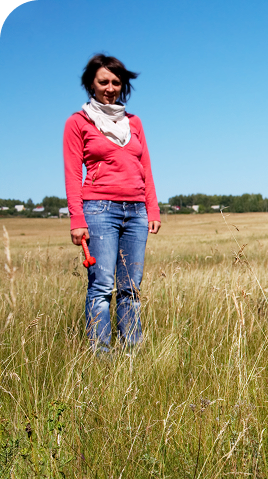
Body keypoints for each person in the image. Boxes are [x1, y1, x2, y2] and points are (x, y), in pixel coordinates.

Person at [63, 54, 161, 354]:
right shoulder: (78, 122)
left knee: (131, 287)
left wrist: (153, 209)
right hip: (99, 210)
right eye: (103, 81)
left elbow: (145, 167)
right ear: (91, 85)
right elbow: (72, 173)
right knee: (102, 286)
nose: (110, 88)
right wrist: (77, 219)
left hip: (137, 211)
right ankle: (101, 356)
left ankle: (132, 352)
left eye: (116, 82)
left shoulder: (134, 122)